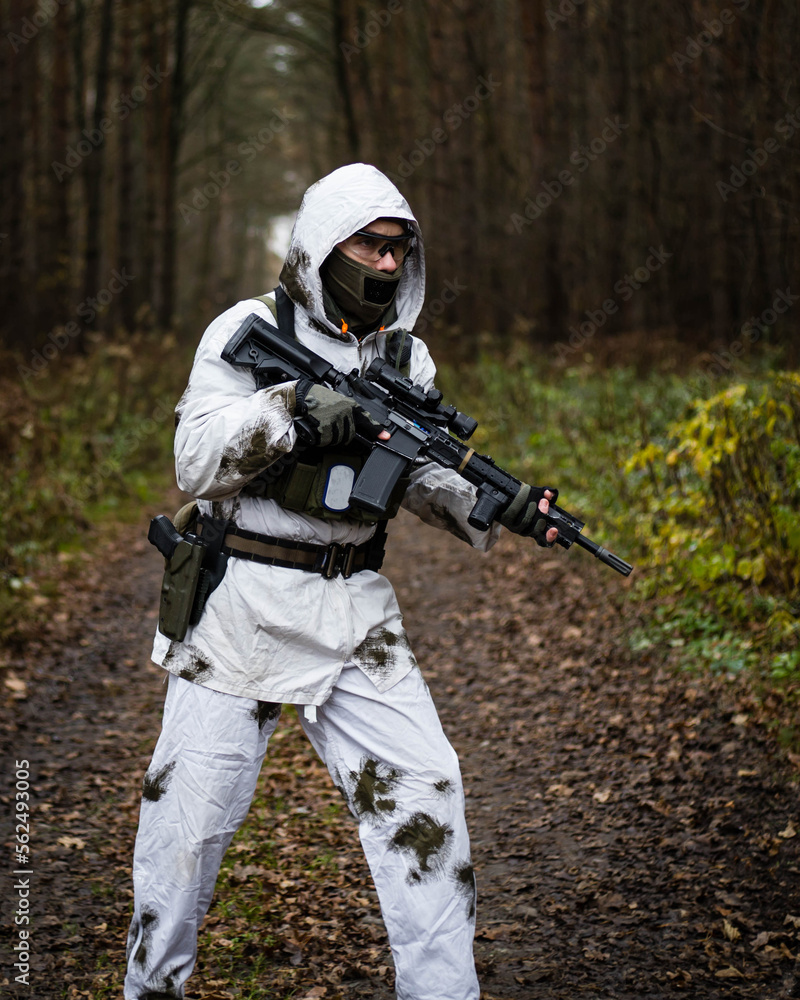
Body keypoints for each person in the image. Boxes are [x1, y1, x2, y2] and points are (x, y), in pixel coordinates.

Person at [124, 162, 557, 1000]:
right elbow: (193, 461)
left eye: (400, 251)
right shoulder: (246, 328)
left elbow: (419, 474)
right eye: (371, 246)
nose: (388, 265)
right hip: (240, 604)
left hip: (357, 610)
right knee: (186, 831)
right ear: (322, 248)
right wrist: (290, 410)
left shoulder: (406, 356)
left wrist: (500, 506)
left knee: (425, 799)